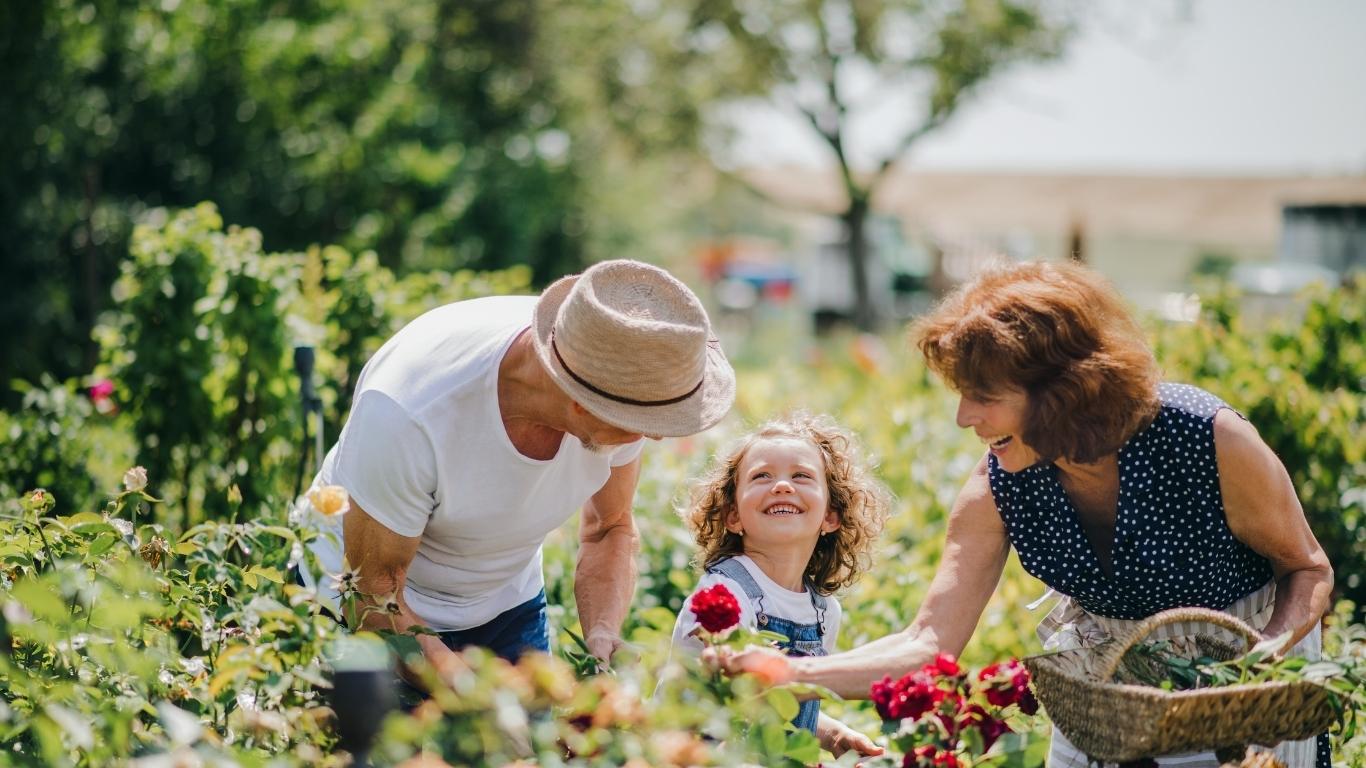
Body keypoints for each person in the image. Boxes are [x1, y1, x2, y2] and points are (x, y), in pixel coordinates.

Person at [721, 261, 1334, 768]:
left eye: (984, 396)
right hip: (1103, 688)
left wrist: (1256, 667)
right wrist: (787, 671)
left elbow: (1307, 568)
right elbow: (929, 642)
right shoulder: (998, 483)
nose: (965, 417)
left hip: (1240, 679)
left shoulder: (1204, 437)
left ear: (1064, 390)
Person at [302, 259, 736, 679]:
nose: (655, 437)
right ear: (580, 403)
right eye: (643, 424)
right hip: (367, 603)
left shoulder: (621, 364)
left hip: (505, 601)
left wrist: (602, 631)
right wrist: (477, 696)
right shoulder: (410, 412)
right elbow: (373, 591)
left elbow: (610, 527)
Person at [671, 413, 890, 759]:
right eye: (762, 476)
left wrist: (832, 733)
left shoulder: (823, 613)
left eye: (801, 476)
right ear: (734, 516)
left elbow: (779, 705)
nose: (782, 486)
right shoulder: (724, 596)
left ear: (831, 516)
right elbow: (719, 714)